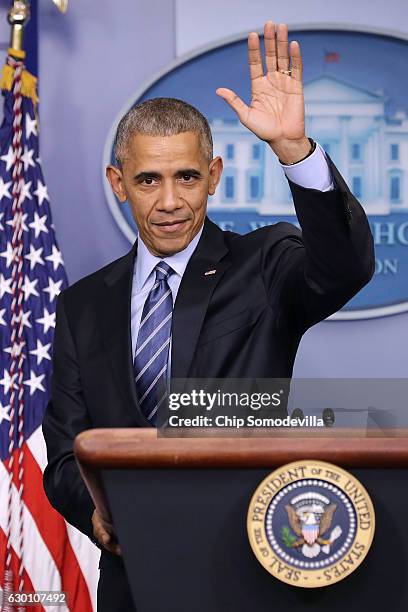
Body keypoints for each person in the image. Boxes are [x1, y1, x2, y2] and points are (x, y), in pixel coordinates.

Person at [42, 21, 374, 611]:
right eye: (148, 180)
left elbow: (344, 268)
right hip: (130, 577)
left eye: (186, 177)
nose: (169, 201)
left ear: (213, 177)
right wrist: (98, 515)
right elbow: (66, 448)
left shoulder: (265, 264)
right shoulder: (83, 304)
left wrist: (294, 152)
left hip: (246, 567)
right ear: (119, 184)